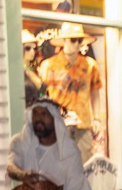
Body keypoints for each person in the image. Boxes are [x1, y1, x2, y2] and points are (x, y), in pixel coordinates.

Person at [37, 23, 103, 159]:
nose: (77, 44)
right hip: (58, 125)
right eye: (73, 40)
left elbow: (95, 93)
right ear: (64, 41)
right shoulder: (49, 66)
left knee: (85, 167)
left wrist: (96, 119)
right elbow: (42, 95)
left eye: (80, 41)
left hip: (82, 125)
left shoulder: (90, 66)